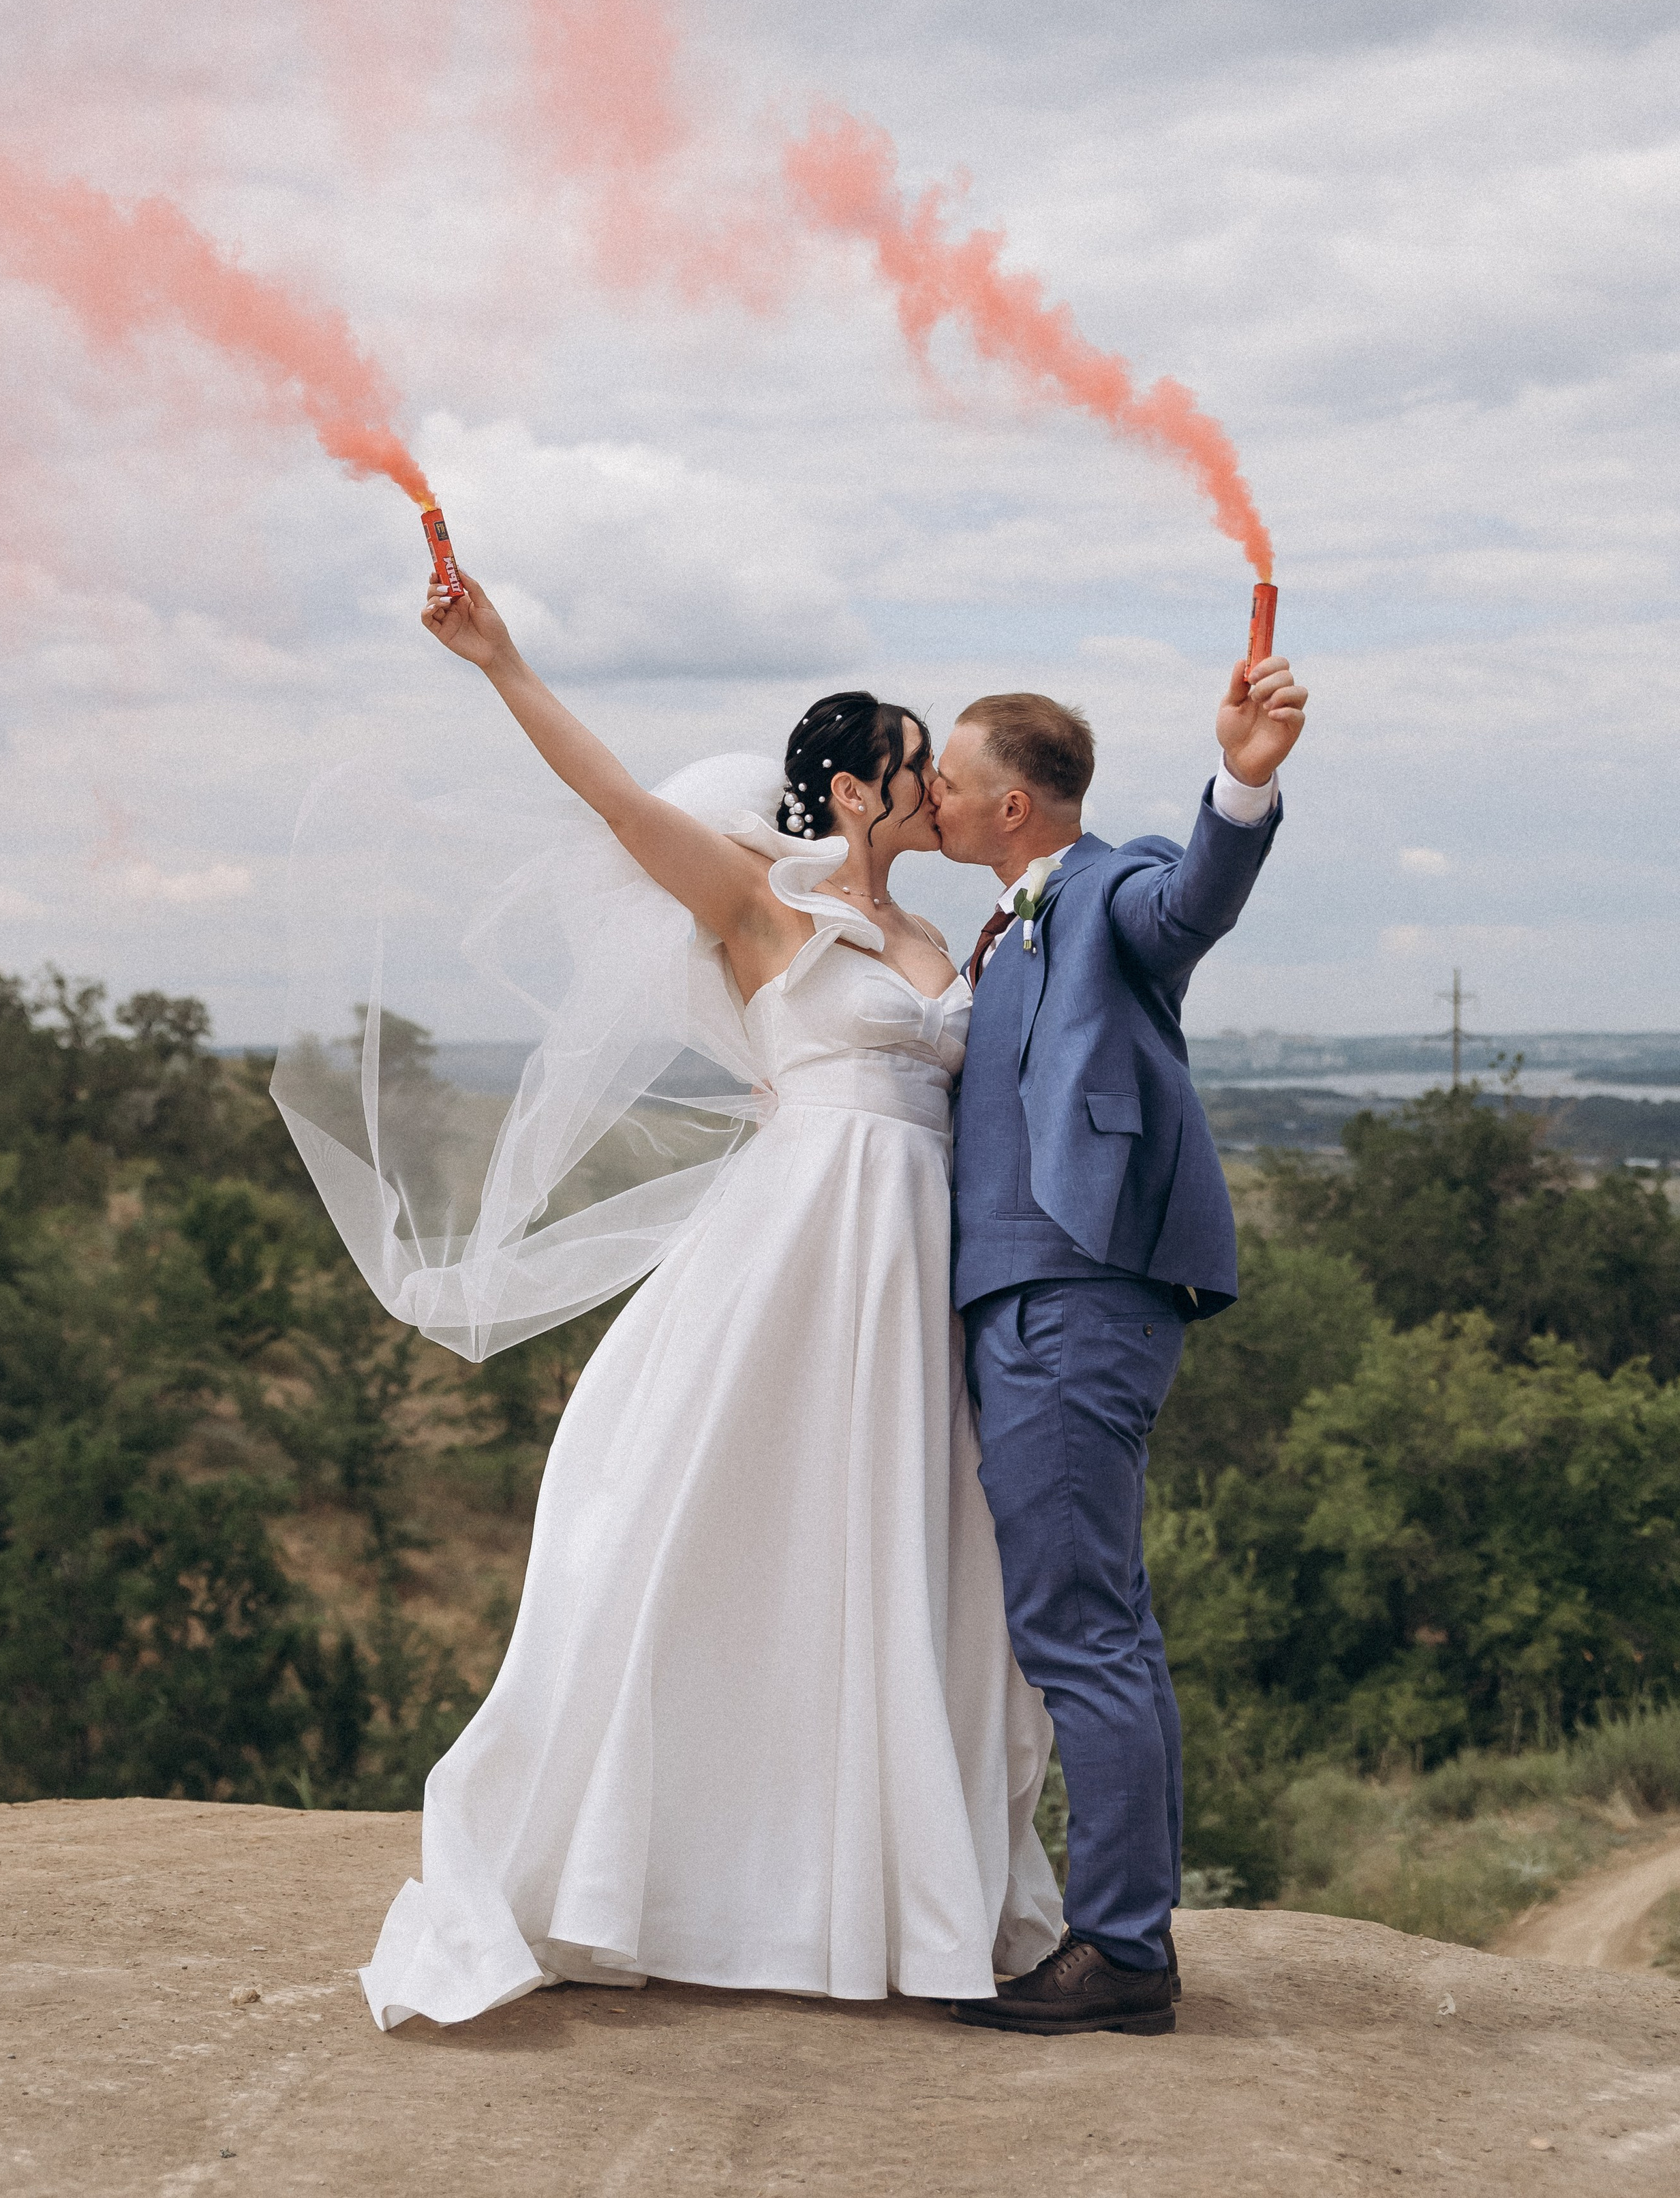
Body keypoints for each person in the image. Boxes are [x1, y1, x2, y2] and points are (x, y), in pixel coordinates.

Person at [352, 572, 1061, 2027]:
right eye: (917, 765)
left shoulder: (942, 943)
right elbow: (614, 802)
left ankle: (888, 1885)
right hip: (801, 1249)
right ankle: (676, 1869)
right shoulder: (756, 905)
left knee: (909, 1544)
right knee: (740, 1531)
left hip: (917, 1262)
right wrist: (503, 659)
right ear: (857, 790)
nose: (937, 787)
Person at [930, 651, 1307, 2036]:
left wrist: (1242, 783)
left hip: (1074, 1296)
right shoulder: (999, 926)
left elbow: (1189, 901)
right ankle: (1120, 1934)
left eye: (949, 783)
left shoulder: (1103, 888)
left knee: (1080, 1631)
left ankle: (1123, 1949)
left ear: (1012, 805)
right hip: (1026, 1303)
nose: (932, 800)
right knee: (1097, 1626)